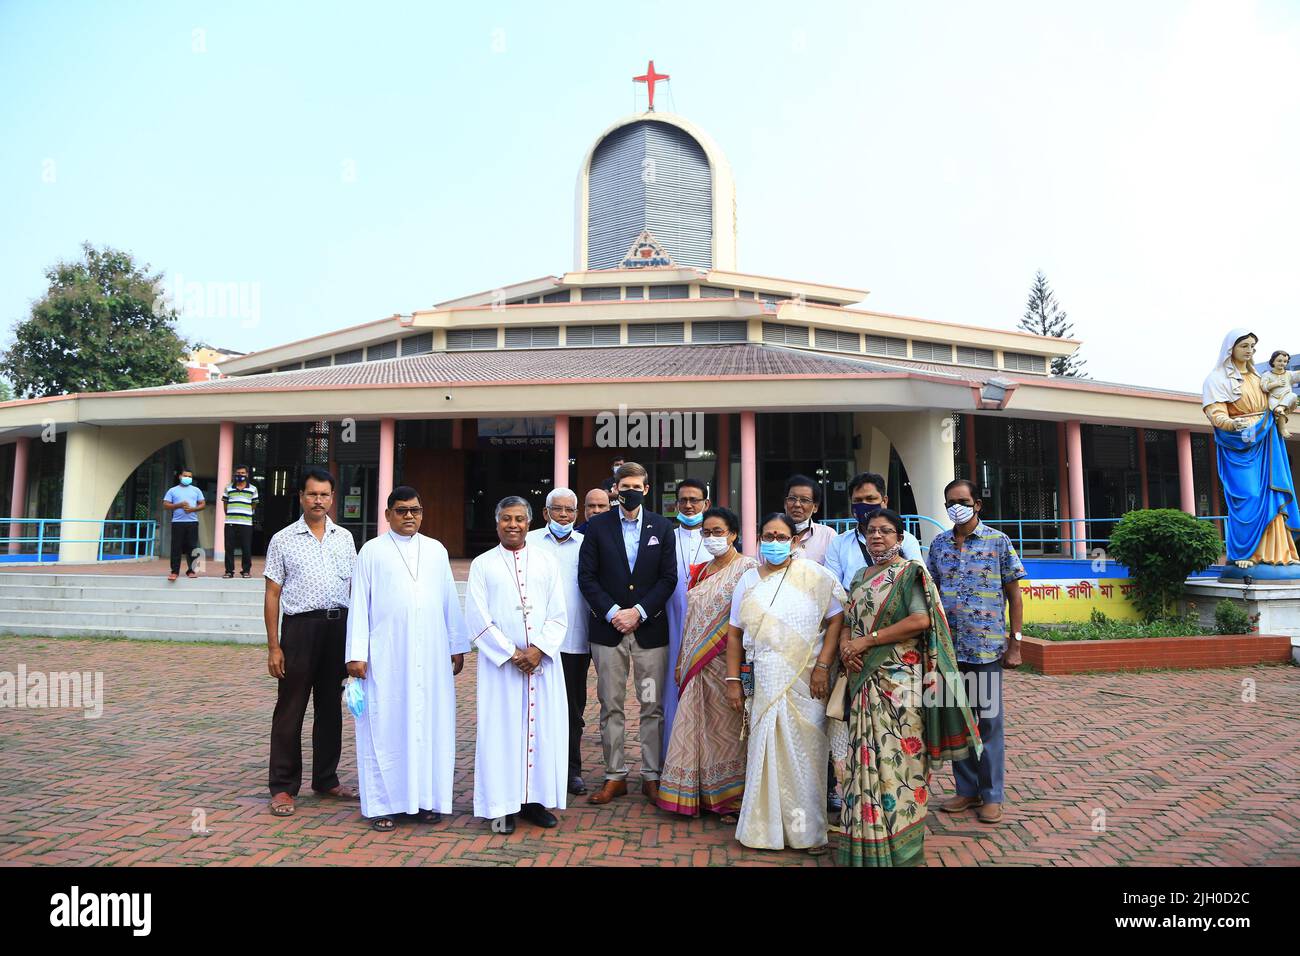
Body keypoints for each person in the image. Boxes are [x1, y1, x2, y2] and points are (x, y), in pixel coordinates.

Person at [836, 508, 981, 867]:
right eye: (871, 531)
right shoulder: (858, 576)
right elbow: (847, 620)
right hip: (863, 679)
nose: (877, 537)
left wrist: (867, 642)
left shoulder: (910, 573)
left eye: (886, 531)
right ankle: (866, 846)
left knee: (900, 760)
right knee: (863, 761)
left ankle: (901, 849)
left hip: (900, 682)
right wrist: (845, 647)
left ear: (900, 539)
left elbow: (920, 620)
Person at [345, 486, 468, 831]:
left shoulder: (436, 550)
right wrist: (356, 654)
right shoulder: (371, 551)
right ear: (387, 515)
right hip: (385, 656)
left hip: (430, 655)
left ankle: (427, 801)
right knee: (385, 726)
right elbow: (359, 606)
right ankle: (384, 804)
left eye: (415, 510)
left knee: (430, 725)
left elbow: (448, 599)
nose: (409, 516)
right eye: (401, 510)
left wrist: (456, 644)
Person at [724, 512, 845, 853]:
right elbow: (734, 636)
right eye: (767, 536)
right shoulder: (748, 580)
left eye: (781, 537)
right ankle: (764, 831)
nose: (773, 543)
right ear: (759, 540)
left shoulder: (814, 575)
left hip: (808, 679)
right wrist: (733, 680)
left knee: (807, 757)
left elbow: (836, 621)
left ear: (794, 542)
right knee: (765, 751)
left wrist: (823, 666)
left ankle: (808, 834)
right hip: (765, 676)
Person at [577, 461, 678, 805]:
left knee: (651, 704)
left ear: (646, 490)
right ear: (615, 490)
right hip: (609, 634)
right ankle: (614, 775)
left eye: (637, 486)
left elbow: (668, 578)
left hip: (649, 633)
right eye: (625, 486)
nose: (630, 491)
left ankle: (652, 775)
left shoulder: (662, 528)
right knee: (611, 705)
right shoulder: (597, 527)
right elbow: (587, 577)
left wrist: (638, 612)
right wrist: (612, 613)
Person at [927, 478, 1025, 825]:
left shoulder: (998, 542)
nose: (957, 506)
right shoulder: (938, 545)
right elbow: (931, 596)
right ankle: (966, 789)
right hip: (949, 652)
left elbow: (1014, 595)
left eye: (963, 501)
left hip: (985, 650)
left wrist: (1015, 642)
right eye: (951, 501)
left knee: (988, 722)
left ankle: (992, 795)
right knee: (957, 720)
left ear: (977, 504)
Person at [468, 496, 569, 833]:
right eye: (506, 519)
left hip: (542, 665)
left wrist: (538, 649)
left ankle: (534, 802)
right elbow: (477, 618)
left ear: (529, 522)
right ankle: (502, 806)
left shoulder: (546, 562)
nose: (513, 525)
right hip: (502, 669)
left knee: (541, 732)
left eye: (519, 519)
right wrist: (512, 653)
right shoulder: (482, 564)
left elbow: (558, 614)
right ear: (497, 522)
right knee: (502, 734)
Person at [264, 467, 359, 818]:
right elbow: (272, 594)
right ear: (301, 496)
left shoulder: (344, 538)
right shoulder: (283, 539)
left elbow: (355, 589)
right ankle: (283, 787)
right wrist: (274, 646)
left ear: (332, 498)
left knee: (330, 708)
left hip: (338, 628)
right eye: (312, 494)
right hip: (300, 631)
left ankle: (326, 778)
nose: (318, 500)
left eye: (324, 494)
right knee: (290, 709)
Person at [657, 506, 755, 820]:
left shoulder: (748, 569)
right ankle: (694, 793)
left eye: (718, 532)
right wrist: (681, 659)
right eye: (707, 532)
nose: (712, 537)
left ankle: (731, 798)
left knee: (726, 731)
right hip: (695, 663)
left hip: (727, 664)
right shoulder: (699, 570)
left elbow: (749, 622)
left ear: (733, 535)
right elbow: (690, 619)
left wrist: (738, 673)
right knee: (693, 727)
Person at [1202, 330, 1300, 567]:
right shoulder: (1217, 379)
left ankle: (1278, 554)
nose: (1250, 351)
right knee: (1249, 495)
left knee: (1272, 493)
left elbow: (1276, 394)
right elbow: (1215, 413)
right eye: (1244, 345)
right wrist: (1231, 423)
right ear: (1230, 349)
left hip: (1266, 438)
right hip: (1238, 443)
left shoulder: (1258, 377)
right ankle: (1244, 553)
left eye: (1253, 347)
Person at [526, 487, 591, 795]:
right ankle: (536, 771)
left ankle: (571, 771)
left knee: (573, 709)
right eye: (558, 509)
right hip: (537, 642)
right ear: (545, 512)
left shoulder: (586, 544)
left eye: (569, 510)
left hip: (575, 640)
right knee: (536, 707)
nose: (564, 515)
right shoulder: (530, 542)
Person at [662, 477, 710, 757]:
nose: (689, 505)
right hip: (670, 624)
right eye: (683, 500)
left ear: (707, 503)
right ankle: (671, 759)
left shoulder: (716, 539)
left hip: (706, 629)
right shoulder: (665, 536)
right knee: (670, 692)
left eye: (694, 500)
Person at [826, 471, 922, 592]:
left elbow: (917, 582)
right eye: (858, 500)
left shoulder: (906, 540)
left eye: (870, 499)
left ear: (884, 501)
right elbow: (832, 588)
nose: (864, 504)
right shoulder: (839, 543)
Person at [783, 474, 836, 565]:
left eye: (804, 500)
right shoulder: (771, 536)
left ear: (815, 507)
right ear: (785, 503)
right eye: (792, 499)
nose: (797, 504)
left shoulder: (828, 536)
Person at [163, 468, 205, 581]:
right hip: (177, 523)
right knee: (176, 548)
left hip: (192, 522)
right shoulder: (172, 490)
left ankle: (191, 570)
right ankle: (174, 572)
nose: (188, 478)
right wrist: (179, 505)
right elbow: (166, 505)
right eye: (185, 476)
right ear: (180, 476)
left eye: (190, 477)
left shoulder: (196, 490)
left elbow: (202, 504)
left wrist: (192, 509)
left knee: (192, 547)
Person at [221, 465, 259, 578]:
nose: (240, 475)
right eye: (238, 473)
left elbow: (254, 504)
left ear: (247, 474)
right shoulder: (228, 488)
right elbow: (225, 505)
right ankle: (229, 571)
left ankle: (246, 571)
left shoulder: (253, 489)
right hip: (230, 522)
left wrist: (246, 513)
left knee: (246, 547)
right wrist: (230, 515)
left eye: (242, 473)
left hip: (246, 523)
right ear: (234, 474)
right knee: (229, 547)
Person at [1259, 350, 1300, 439]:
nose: (1282, 363)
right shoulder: (1267, 374)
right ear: (1273, 361)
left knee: (1293, 395)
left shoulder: (1289, 374)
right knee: (1279, 411)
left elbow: (1297, 376)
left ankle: (1281, 408)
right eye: (1279, 361)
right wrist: (1275, 384)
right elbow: (1263, 387)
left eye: (1285, 361)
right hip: (1273, 398)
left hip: (1286, 399)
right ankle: (1282, 428)